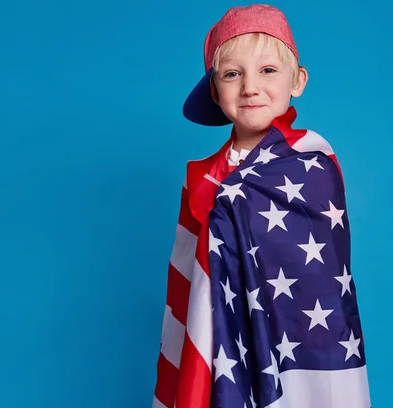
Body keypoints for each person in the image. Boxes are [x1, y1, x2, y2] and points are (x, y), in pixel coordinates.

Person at [153, 4, 371, 408]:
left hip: (298, 343)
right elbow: (192, 276)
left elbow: (319, 277)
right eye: (233, 74)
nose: (250, 87)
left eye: (268, 70)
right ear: (216, 92)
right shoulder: (201, 178)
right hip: (220, 336)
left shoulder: (313, 163)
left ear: (298, 80)